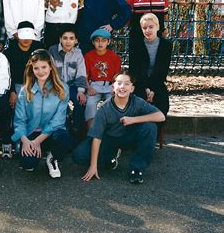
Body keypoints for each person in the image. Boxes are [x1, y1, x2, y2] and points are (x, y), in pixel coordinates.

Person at [72, 70, 166, 184]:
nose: (122, 87)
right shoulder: (104, 108)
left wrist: (133, 120)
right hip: (109, 139)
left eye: (127, 83)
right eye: (119, 83)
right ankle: (109, 157)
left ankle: (137, 169)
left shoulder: (137, 102)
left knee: (150, 127)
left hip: (129, 137)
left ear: (132, 88)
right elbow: (96, 138)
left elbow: (161, 116)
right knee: (79, 155)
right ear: (113, 87)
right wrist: (93, 166)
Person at [11, 49, 74, 179]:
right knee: (28, 165)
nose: (40, 71)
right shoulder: (25, 90)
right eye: (36, 68)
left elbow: (58, 120)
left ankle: (52, 159)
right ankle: (22, 147)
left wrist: (38, 141)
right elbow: (19, 120)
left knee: (65, 138)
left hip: (51, 133)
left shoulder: (62, 88)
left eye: (44, 67)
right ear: (32, 69)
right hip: (31, 133)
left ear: (50, 66)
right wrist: (26, 140)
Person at [128, 13, 172, 148]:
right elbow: (135, 70)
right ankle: (138, 136)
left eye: (151, 27)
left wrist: (152, 89)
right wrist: (146, 88)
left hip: (157, 83)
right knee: (137, 100)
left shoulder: (166, 45)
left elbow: (162, 70)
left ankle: (153, 135)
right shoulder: (136, 44)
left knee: (162, 101)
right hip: (140, 83)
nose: (147, 30)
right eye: (144, 27)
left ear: (158, 27)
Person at [3, 22, 44, 157]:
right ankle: (11, 141)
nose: (26, 40)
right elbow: (6, 75)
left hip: (35, 84)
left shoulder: (39, 49)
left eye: (29, 36)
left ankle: (34, 139)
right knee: (13, 110)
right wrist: (11, 92)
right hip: (16, 85)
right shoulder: (9, 51)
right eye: (23, 36)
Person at [48, 26, 87, 138]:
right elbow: (49, 72)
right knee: (58, 105)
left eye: (71, 38)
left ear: (76, 40)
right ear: (60, 39)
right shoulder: (52, 50)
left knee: (81, 101)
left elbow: (81, 73)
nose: (68, 41)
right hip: (56, 85)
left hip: (72, 85)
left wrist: (81, 91)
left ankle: (76, 129)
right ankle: (61, 131)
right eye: (65, 38)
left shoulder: (78, 53)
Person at [84, 28, 122, 130]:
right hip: (94, 86)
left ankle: (110, 130)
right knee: (90, 104)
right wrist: (88, 88)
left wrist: (115, 87)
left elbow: (118, 75)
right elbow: (85, 76)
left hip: (110, 85)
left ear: (108, 42)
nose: (100, 43)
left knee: (111, 103)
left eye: (104, 40)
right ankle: (91, 131)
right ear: (93, 42)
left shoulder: (114, 57)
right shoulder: (88, 56)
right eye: (97, 40)